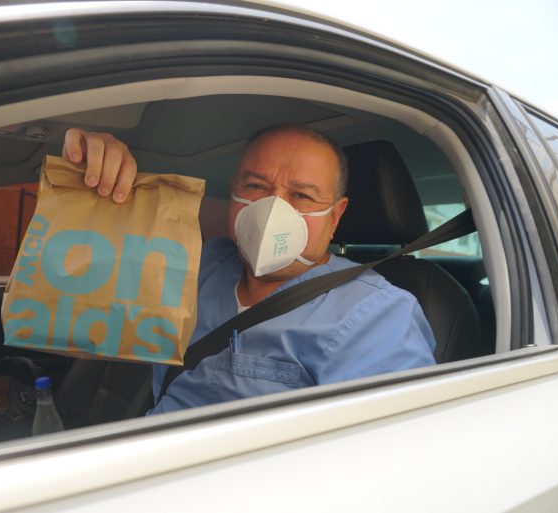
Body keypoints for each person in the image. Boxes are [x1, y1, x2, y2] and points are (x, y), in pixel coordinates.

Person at [62, 126, 436, 415]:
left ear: (335, 216)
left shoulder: (378, 316)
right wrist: (95, 185)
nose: (273, 209)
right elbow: (96, 303)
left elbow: (386, 459)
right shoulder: (206, 263)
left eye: (301, 196)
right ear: (234, 193)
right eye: (257, 186)